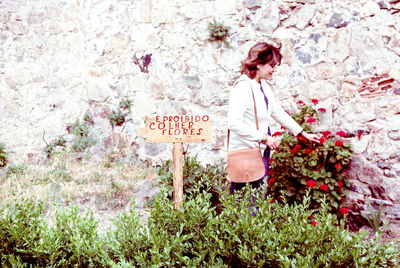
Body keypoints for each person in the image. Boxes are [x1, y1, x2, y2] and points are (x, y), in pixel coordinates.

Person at [228, 41, 320, 195]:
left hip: (260, 152)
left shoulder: (263, 86)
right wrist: (264, 138)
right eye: (272, 65)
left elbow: (277, 112)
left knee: (258, 202)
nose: (274, 70)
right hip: (246, 155)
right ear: (259, 64)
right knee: (245, 205)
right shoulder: (243, 87)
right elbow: (234, 123)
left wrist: (303, 133)